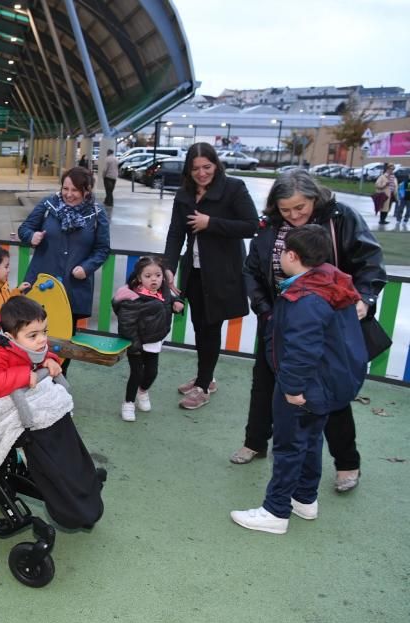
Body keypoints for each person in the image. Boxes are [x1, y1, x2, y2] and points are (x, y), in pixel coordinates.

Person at [233, 170, 386, 492]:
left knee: (330, 395)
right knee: (265, 385)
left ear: (315, 198)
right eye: (286, 209)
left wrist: (364, 299)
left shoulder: (340, 218)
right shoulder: (269, 225)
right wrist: (265, 310)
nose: (294, 215)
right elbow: (252, 270)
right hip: (277, 321)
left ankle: (347, 463)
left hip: (326, 324)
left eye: (300, 207)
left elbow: (369, 260)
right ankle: (256, 441)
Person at [230, 225, 367, 534]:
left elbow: (301, 350)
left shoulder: (306, 299)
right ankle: (304, 499)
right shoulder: (329, 282)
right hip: (324, 385)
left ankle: (275, 511)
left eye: (282, 252)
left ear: (292, 256)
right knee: (310, 441)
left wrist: (292, 389)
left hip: (304, 387)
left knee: (289, 446)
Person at [0, 296, 104, 529]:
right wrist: (23, 376)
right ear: (9, 336)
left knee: (60, 420)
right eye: (34, 335)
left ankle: (80, 479)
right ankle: (68, 496)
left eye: (44, 332)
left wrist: (49, 360)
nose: (41, 340)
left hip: (18, 397)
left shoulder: (20, 342)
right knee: (47, 431)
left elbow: (37, 355)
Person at [162, 142, 258, 410]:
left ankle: (203, 385)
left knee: (211, 327)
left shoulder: (233, 189)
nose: (202, 173)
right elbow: (175, 233)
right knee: (199, 326)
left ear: (216, 165)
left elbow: (252, 226)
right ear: (188, 170)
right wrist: (168, 265)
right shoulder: (184, 195)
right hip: (194, 272)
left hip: (222, 272)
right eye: (196, 169)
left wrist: (210, 223)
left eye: (207, 167)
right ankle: (207, 375)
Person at [17, 166, 111, 372]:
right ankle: (32, 379)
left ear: (87, 190)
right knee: (31, 334)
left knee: (63, 342)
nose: (68, 194)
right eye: (65, 188)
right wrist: (31, 236)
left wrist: (86, 268)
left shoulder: (97, 214)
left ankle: (58, 381)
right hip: (41, 284)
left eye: (75, 190)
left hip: (73, 289)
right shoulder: (49, 205)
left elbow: (103, 249)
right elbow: (25, 228)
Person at [112, 256, 184, 422]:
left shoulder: (163, 292)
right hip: (135, 341)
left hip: (154, 340)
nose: (154, 279)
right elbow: (127, 324)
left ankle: (142, 391)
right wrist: (134, 345)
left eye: (158, 275)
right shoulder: (131, 297)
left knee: (152, 372)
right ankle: (128, 403)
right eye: (148, 275)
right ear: (139, 277)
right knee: (136, 373)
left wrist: (176, 304)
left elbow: (167, 303)